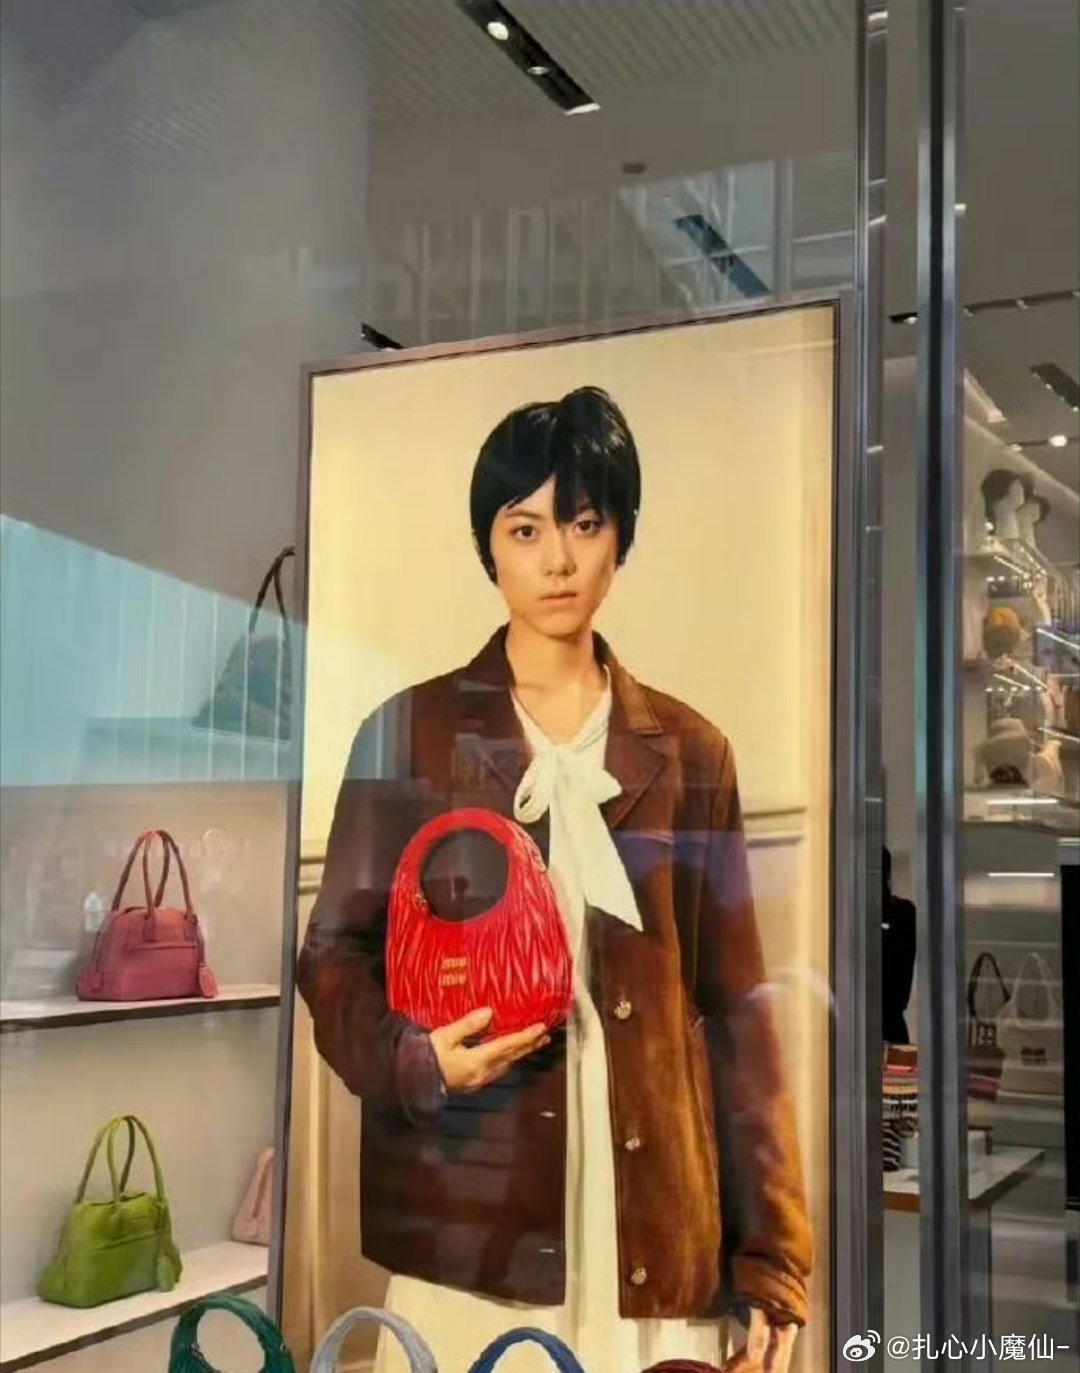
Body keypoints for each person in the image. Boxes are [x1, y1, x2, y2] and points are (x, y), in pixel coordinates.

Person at [298, 386, 812, 1372]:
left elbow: (736, 1011)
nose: (558, 559)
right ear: (488, 546)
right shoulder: (410, 733)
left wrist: (772, 1259)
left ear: (622, 537)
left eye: (584, 523)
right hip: (472, 1213)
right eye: (525, 528)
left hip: (652, 1223)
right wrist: (416, 1060)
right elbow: (332, 958)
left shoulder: (692, 750)